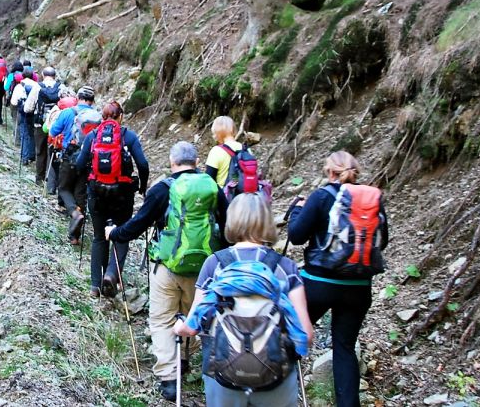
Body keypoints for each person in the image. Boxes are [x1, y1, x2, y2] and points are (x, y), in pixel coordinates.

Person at [173, 193, 313, 407]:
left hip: (223, 374)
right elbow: (306, 334)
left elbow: (192, 327)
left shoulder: (215, 265)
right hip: (276, 374)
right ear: (267, 222)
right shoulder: (286, 268)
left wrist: (178, 327)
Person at [105, 142, 220, 402]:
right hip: (204, 270)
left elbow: (138, 224)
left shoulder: (163, 189)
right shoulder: (213, 188)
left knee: (162, 319)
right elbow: (224, 224)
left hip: (167, 266)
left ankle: (170, 379)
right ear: (197, 160)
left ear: (172, 161)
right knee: (194, 316)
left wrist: (115, 233)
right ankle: (189, 362)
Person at [286, 151, 388, 407]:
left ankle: (273, 390)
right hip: (358, 288)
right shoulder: (372, 199)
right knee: (344, 348)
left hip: (318, 284)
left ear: (330, 172)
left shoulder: (321, 196)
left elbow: (296, 236)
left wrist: (296, 211)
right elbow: (382, 242)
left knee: (290, 336)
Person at [76, 101, 149, 298]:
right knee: (120, 235)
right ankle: (111, 274)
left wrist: (89, 181)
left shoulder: (92, 136)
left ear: (103, 117)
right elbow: (142, 163)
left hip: (96, 194)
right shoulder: (128, 136)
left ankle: (95, 286)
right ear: (120, 116)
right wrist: (142, 186)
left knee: (99, 237)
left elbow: (79, 163)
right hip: (122, 195)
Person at [50, 85, 101, 243]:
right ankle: (75, 236)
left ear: (78, 98)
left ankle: (74, 212)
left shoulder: (68, 112)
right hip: (88, 160)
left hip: (69, 156)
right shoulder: (98, 117)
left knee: (64, 188)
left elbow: (52, 131)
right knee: (80, 193)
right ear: (92, 101)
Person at [205, 115, 248, 239]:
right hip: (245, 201)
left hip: (224, 202)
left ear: (217, 132)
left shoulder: (216, 151)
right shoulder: (246, 150)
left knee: (227, 239)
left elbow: (209, 181)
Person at [23, 66, 61, 186]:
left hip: (40, 124)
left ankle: (39, 178)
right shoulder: (61, 88)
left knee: (40, 151)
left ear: (43, 75)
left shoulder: (37, 87)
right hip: (56, 125)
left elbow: (27, 108)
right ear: (54, 76)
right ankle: (51, 182)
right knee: (53, 151)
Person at [11, 66, 38, 165]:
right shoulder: (37, 85)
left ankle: (24, 157)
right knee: (32, 133)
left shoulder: (19, 86)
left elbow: (13, 102)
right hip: (33, 113)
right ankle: (32, 155)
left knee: (24, 134)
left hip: (22, 113)